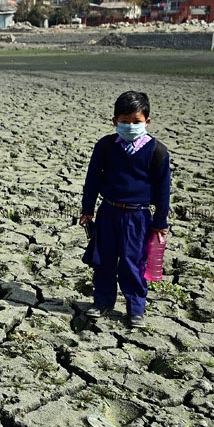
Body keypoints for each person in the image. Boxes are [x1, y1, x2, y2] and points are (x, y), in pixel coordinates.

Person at [79, 91, 171, 329]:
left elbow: (163, 190)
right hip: (108, 212)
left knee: (133, 263)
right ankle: (103, 301)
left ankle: (136, 309)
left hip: (138, 216)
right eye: (125, 121)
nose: (131, 126)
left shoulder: (157, 151)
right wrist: (87, 208)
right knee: (104, 260)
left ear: (147, 122)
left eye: (136, 122)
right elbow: (93, 179)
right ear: (115, 121)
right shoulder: (106, 146)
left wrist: (160, 222)